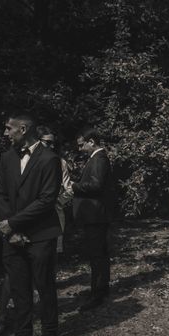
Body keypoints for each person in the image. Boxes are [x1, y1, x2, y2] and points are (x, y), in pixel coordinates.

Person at [0, 112, 62, 336]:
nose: (5, 133)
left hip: (41, 234)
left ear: (23, 128)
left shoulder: (50, 158)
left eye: (9, 128)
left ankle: (49, 334)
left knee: (45, 286)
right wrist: (10, 229)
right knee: (19, 288)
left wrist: (13, 223)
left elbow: (47, 200)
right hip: (12, 236)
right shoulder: (7, 158)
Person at [72, 126, 115, 312]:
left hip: (96, 215)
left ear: (91, 142)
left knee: (97, 256)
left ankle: (97, 294)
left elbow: (96, 185)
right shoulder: (96, 158)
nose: (80, 149)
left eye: (82, 145)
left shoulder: (99, 158)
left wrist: (73, 186)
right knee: (99, 255)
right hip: (97, 215)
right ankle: (100, 290)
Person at [37, 126, 73, 257]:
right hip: (32, 214)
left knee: (51, 252)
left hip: (54, 213)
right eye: (47, 142)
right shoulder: (26, 162)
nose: (51, 146)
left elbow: (69, 189)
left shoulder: (60, 163)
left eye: (53, 143)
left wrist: (58, 201)